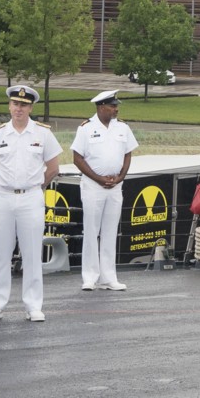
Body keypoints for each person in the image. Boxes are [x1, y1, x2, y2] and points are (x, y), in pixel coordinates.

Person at [0, 84, 60, 322]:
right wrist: (0, 182)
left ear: (30, 107)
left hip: (31, 196)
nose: (19, 108)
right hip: (3, 196)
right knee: (2, 253)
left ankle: (33, 305)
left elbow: (53, 167)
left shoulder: (43, 133)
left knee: (32, 253)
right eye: (15, 104)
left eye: (24, 105)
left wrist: (37, 187)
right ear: (9, 105)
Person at [70, 90, 137, 291]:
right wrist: (98, 178)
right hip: (93, 186)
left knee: (110, 231)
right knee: (91, 231)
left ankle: (109, 277)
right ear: (101, 107)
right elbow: (77, 158)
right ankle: (90, 276)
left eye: (116, 105)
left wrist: (120, 177)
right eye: (112, 106)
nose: (116, 109)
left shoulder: (123, 127)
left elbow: (127, 154)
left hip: (115, 187)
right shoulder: (86, 128)